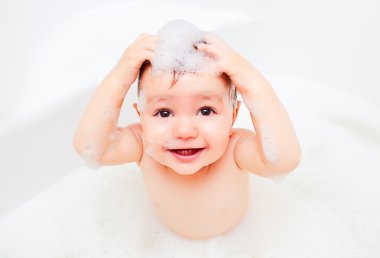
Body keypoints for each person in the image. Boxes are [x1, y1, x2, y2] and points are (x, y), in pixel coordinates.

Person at [73, 21, 301, 240]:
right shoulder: (142, 144)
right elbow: (90, 148)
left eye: (205, 110)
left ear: (232, 116)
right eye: (164, 113)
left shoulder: (235, 149)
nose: (184, 131)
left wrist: (252, 82)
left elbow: (282, 161)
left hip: (238, 242)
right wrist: (118, 78)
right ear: (140, 115)